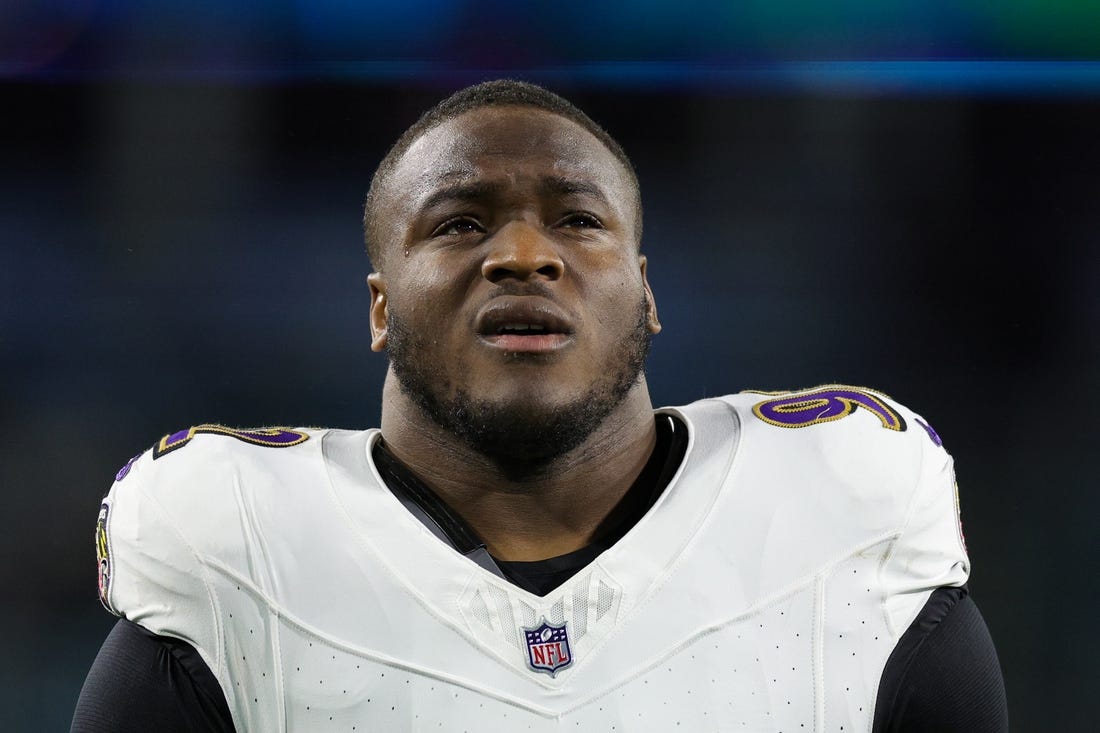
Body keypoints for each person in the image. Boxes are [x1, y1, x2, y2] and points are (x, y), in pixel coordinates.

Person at [72, 80, 1008, 732]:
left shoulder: (843, 516)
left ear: (644, 292)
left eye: (577, 219)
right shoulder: (234, 547)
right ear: (380, 306)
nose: (523, 252)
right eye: (460, 223)